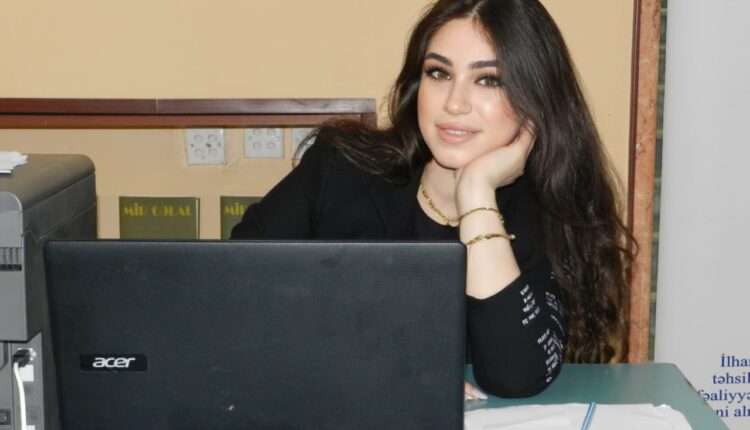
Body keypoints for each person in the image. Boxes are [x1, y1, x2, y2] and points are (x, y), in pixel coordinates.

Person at [231, 0, 632, 399]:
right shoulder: (338, 169)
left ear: (536, 102)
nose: (454, 103)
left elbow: (516, 376)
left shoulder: (551, 212)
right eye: (439, 73)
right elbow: (230, 293)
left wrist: (476, 192)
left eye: (489, 80)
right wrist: (383, 371)